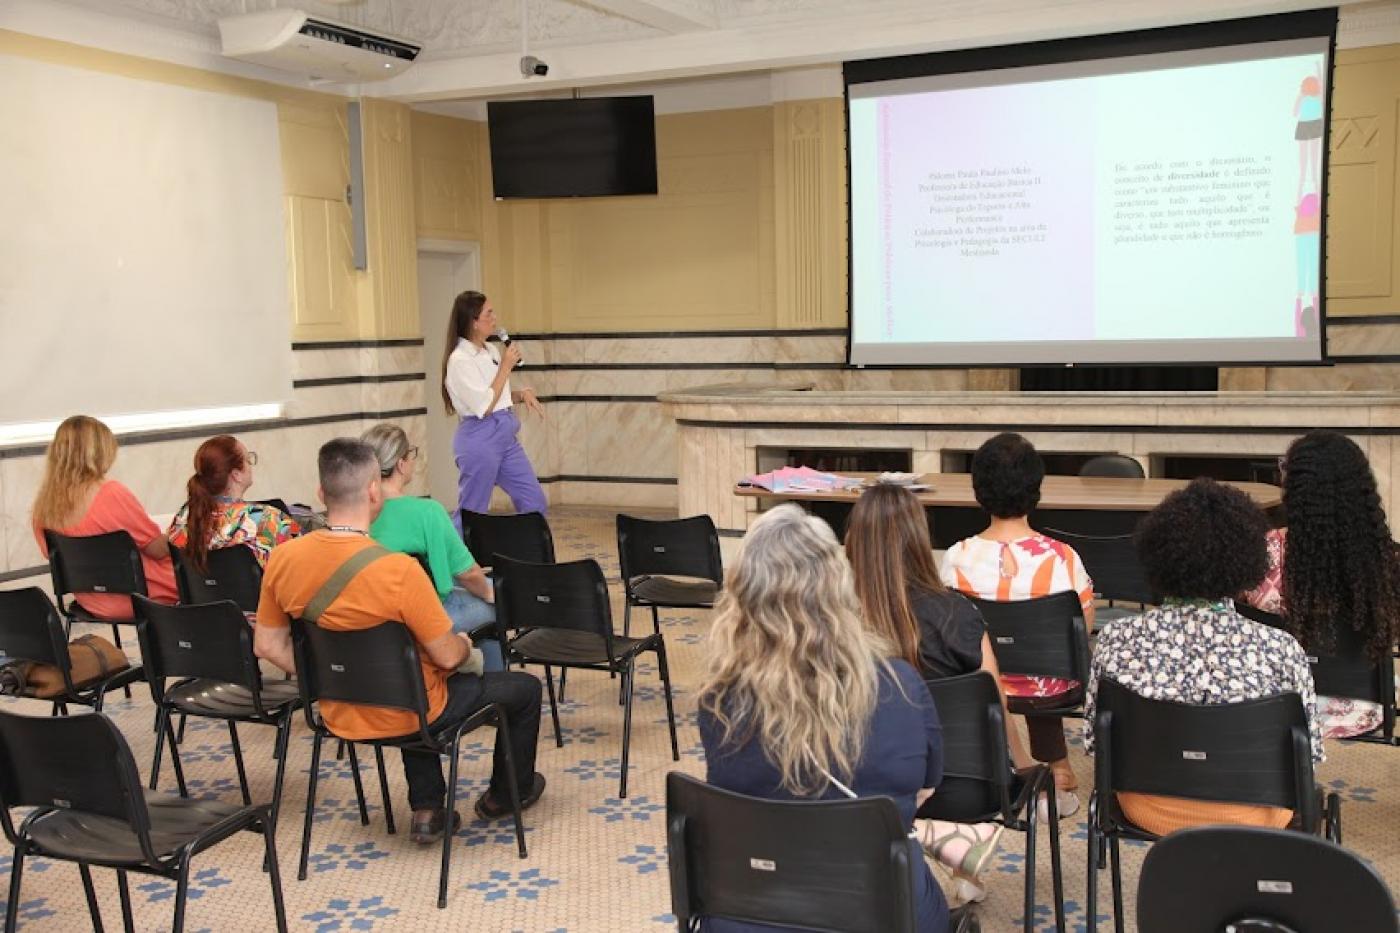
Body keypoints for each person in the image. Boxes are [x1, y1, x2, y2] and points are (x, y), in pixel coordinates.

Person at [253, 438, 545, 842]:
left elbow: (267, 645)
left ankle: (429, 808)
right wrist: (464, 645)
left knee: (409, 675)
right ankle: (504, 796)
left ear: (322, 493)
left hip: (337, 710)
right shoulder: (398, 570)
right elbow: (446, 656)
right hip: (411, 710)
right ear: (374, 491)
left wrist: (331, 680)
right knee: (523, 689)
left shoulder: (283, 559)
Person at [698, 504, 950, 933]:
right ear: (841, 586)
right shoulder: (904, 686)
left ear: (740, 597)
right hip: (884, 909)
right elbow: (926, 788)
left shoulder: (719, 703)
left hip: (753, 910)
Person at [1086, 478, 1322, 836]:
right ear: (1247, 562)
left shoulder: (1114, 640)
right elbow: (1308, 756)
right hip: (1253, 812)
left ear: (1156, 554)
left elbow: (1096, 742)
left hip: (1148, 808)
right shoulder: (1281, 649)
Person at [847, 482, 1037, 903]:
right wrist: (1022, 765)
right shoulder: (958, 611)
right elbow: (994, 701)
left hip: (860, 790)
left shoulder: (834, 621)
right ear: (919, 540)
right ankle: (952, 846)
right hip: (969, 790)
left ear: (853, 542)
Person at [939, 433, 1093, 818]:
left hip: (981, 685)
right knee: (1042, 658)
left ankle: (1016, 762)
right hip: (1052, 687)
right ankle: (1057, 766)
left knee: (1000, 656)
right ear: (1036, 489)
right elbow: (1082, 628)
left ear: (978, 491)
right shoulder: (1062, 558)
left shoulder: (956, 557)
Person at [1242, 431, 1400, 738]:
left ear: (1293, 487)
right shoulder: (1388, 562)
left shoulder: (1260, 554)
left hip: (1271, 704)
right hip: (1364, 708)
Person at [361, 422, 504, 671]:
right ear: (401, 464)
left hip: (376, 616)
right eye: (411, 454)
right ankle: (493, 688)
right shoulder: (428, 512)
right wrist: (491, 594)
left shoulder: (356, 514)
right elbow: (467, 573)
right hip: (430, 616)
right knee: (503, 603)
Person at [31, 414, 179, 616]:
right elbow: (157, 550)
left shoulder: (43, 507)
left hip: (92, 601)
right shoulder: (111, 494)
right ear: (100, 453)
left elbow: (53, 556)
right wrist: (183, 530)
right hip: (139, 597)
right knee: (205, 576)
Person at [441, 290, 547, 523]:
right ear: (474, 322)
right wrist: (506, 367)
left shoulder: (490, 350)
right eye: (488, 313)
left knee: (534, 500)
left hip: (505, 435)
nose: (495, 318)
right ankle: (454, 557)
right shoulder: (459, 360)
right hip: (479, 438)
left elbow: (495, 393)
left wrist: (519, 395)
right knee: (473, 512)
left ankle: (526, 554)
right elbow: (484, 406)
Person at [167, 434, 299, 571]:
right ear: (236, 475)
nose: (250, 466)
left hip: (207, 593)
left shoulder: (185, 516)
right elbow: (304, 563)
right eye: (248, 460)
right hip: (259, 592)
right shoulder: (265, 519)